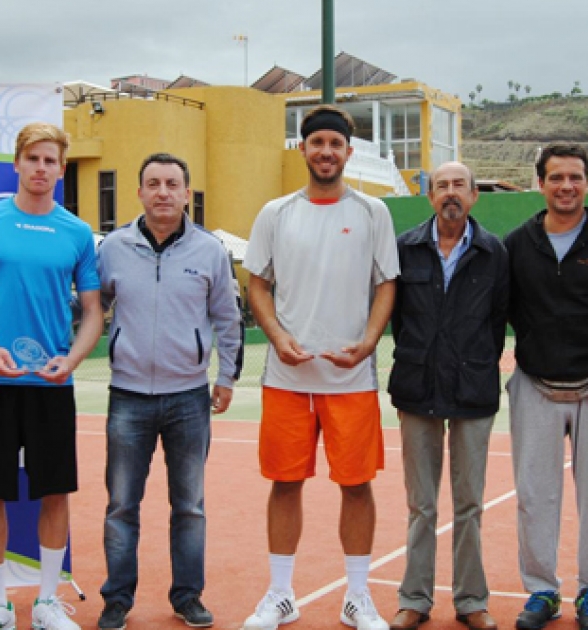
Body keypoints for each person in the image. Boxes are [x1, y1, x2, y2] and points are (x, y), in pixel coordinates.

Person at [241, 104, 399, 630]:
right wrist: (278, 336)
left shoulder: (373, 212)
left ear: (348, 153)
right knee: (285, 483)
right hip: (287, 378)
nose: (326, 151)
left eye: (335, 143)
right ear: (302, 150)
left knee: (356, 485)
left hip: (350, 379)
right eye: (317, 142)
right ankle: (281, 595)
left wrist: (367, 343)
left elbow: (386, 284)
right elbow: (257, 282)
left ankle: (358, 597)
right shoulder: (275, 212)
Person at [94, 153, 244, 630]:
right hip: (128, 396)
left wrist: (226, 377)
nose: (162, 192)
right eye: (153, 183)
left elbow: (227, 317)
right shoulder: (113, 248)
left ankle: (187, 596)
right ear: (139, 192)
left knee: (190, 506)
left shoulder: (210, 251)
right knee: (121, 505)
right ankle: (117, 598)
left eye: (172, 184)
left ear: (186, 193)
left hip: (189, 399)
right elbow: (93, 307)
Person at [503, 142, 588, 630]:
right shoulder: (517, 244)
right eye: (556, 177)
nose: (566, 186)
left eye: (575, 177)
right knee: (534, 496)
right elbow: (509, 308)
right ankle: (542, 591)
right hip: (534, 385)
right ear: (540, 183)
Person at [388, 161, 509, 630]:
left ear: (475, 195)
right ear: (430, 197)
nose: (451, 193)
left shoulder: (495, 252)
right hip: (417, 389)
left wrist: (472, 363)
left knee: (469, 503)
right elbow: (399, 320)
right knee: (421, 504)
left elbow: (497, 323)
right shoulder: (405, 249)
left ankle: (471, 600)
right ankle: (414, 599)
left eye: (460, 185)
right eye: (442, 186)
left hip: (473, 390)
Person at [0, 122, 103, 630]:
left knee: (55, 492)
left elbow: (93, 311)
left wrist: (74, 359)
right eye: (32, 159)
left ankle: (44, 604)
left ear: (62, 170)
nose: (41, 168)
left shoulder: (78, 233)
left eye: (50, 161)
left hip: (51, 385)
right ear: (17, 163)